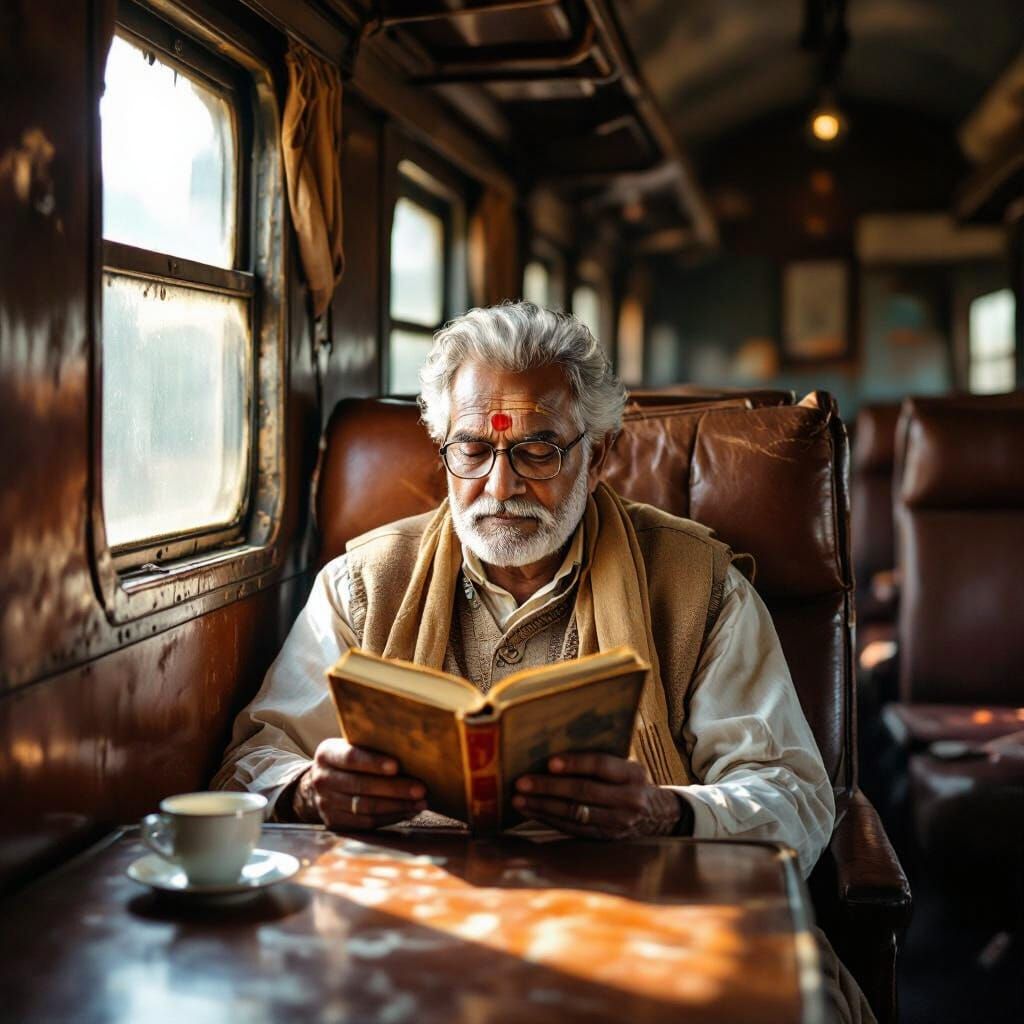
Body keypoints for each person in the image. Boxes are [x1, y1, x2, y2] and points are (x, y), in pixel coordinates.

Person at [213, 301, 834, 868]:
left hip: (628, 907)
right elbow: (248, 768)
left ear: (600, 457)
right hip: (410, 909)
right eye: (473, 449)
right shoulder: (359, 587)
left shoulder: (702, 587)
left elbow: (796, 801)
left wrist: (667, 813)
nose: (500, 486)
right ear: (443, 451)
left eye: (537, 452)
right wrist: (308, 792)